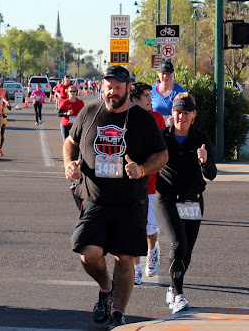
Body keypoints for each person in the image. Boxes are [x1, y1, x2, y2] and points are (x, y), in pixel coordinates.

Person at [63, 65, 168, 329]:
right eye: (109, 87)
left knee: (125, 258)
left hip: (130, 202)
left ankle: (119, 313)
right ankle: (106, 288)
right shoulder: (89, 112)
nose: (113, 92)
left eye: (118, 88)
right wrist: (68, 164)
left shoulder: (143, 119)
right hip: (94, 199)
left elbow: (161, 155)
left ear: (128, 88)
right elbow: (70, 142)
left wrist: (142, 169)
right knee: (88, 254)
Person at [156, 92, 216, 314]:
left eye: (186, 113)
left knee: (187, 251)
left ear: (194, 115)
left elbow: (211, 174)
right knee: (178, 242)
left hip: (193, 200)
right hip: (167, 199)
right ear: (172, 113)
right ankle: (178, 295)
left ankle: (173, 288)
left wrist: (205, 161)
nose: (181, 116)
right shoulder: (162, 136)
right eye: (178, 112)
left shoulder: (201, 138)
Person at [129, 82, 166, 285]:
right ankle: (135, 268)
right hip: (130, 183)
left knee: (150, 227)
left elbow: (163, 151)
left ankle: (152, 251)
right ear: (134, 99)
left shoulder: (157, 118)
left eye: (150, 96)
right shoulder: (125, 118)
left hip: (152, 182)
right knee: (135, 227)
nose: (150, 100)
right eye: (146, 96)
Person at [151, 61, 187, 125]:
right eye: (163, 73)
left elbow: (187, 114)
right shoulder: (151, 91)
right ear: (158, 74)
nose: (165, 76)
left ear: (173, 73)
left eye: (168, 73)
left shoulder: (181, 92)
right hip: (155, 128)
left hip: (173, 128)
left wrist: (176, 119)